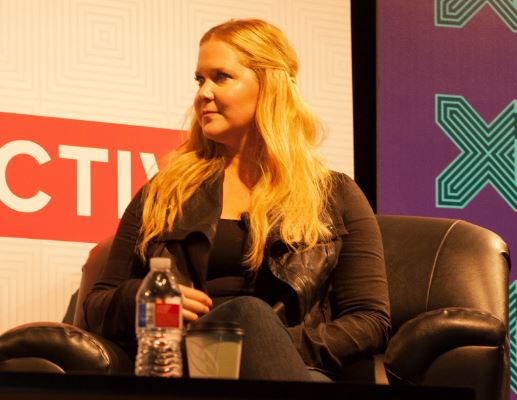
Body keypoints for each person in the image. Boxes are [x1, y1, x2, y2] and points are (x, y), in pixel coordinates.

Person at [84, 18, 390, 382]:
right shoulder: (165, 192)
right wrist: (146, 297)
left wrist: (266, 342)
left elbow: (370, 321)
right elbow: (97, 306)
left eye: (221, 77)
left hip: (297, 366)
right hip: (185, 364)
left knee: (249, 315)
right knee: (246, 317)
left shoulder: (333, 195)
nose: (203, 93)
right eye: (200, 80)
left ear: (269, 85)